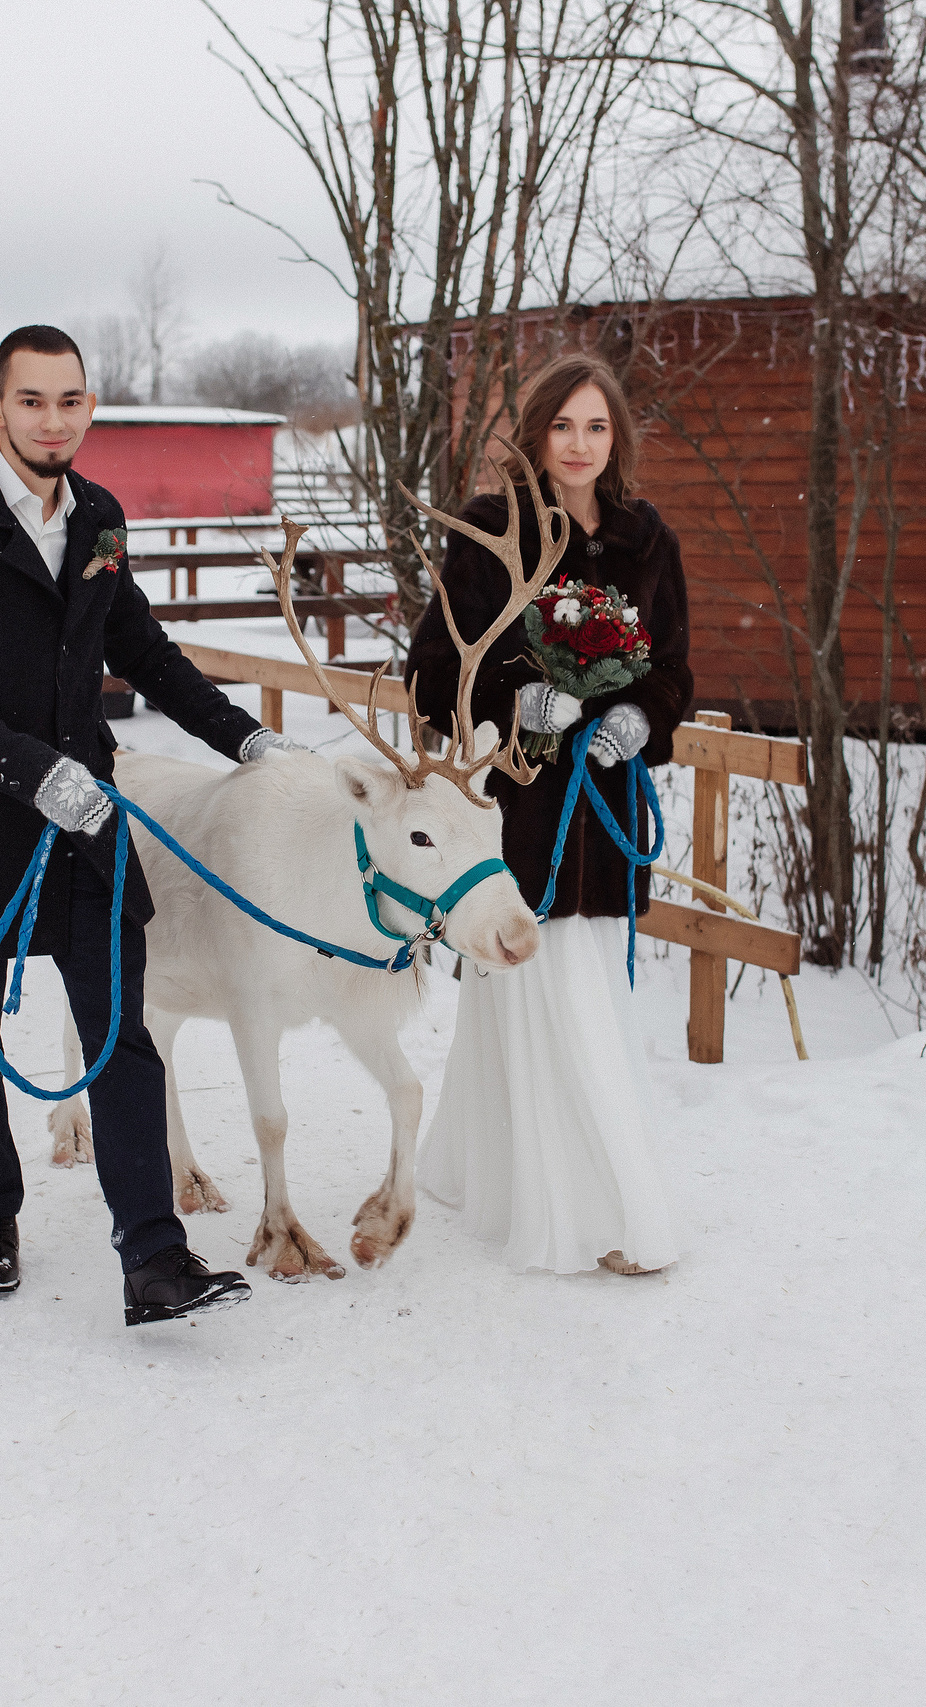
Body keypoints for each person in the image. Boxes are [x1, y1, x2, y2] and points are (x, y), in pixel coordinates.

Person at [0, 325, 298, 1325]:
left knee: (123, 1033)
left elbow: (138, 645)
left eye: (69, 401)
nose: (51, 420)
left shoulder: (98, 517)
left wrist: (243, 739)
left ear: (88, 408)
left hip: (85, 829)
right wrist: (31, 773)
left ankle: (152, 1255)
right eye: (31, 401)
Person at [406, 352, 695, 1276]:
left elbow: (674, 669)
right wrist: (516, 700)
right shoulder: (493, 531)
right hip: (523, 801)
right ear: (535, 433)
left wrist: (637, 717)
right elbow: (435, 666)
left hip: (602, 796)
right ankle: (587, 1204)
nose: (579, 444)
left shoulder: (648, 541)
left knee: (575, 983)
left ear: (617, 438)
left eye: (596, 426)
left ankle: (527, 1175)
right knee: (530, 973)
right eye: (563, 425)